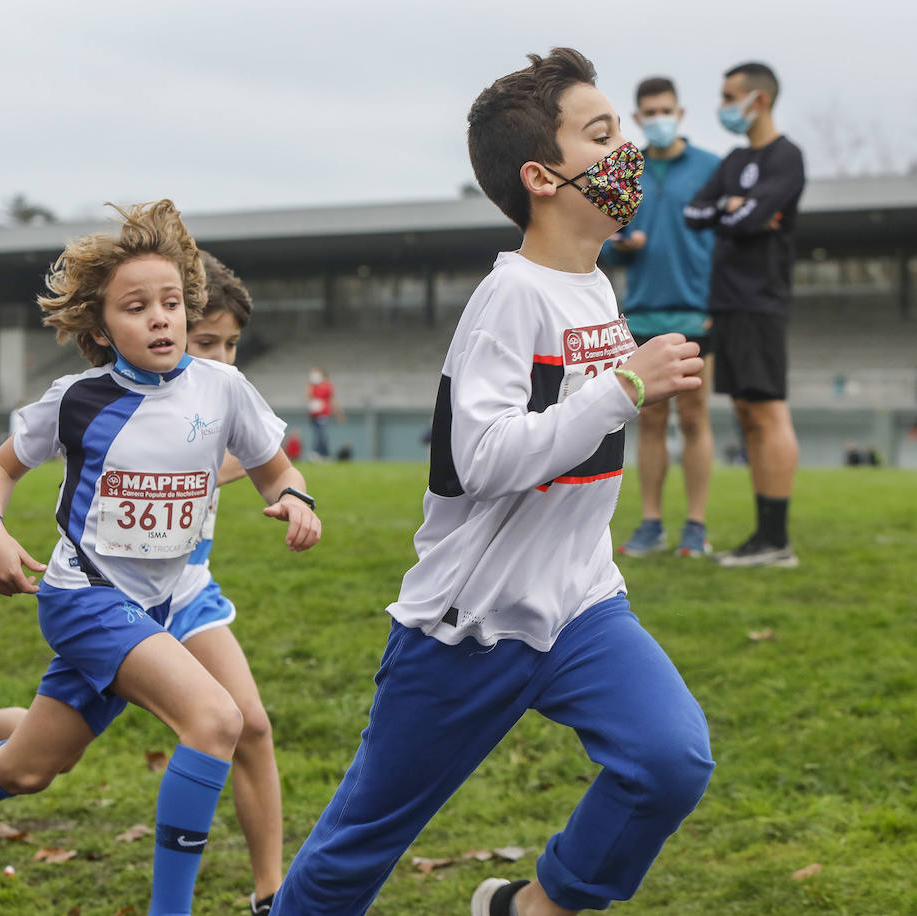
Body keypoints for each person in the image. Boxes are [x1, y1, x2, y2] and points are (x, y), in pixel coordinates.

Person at [270, 49, 714, 916]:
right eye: (602, 134)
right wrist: (623, 387)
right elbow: (481, 461)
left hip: (582, 605)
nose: (626, 150)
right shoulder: (510, 298)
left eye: (621, 128)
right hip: (465, 628)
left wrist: (617, 382)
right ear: (541, 177)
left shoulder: (596, 288)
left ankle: (529, 907)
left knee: (669, 760)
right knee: (359, 848)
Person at [0, 200, 321, 912]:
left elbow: (278, 470)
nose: (160, 318)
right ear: (99, 328)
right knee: (217, 720)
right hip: (84, 598)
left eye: (172, 303)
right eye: (136, 306)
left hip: (159, 601)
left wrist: (298, 501)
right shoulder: (77, 400)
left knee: (30, 767)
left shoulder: (224, 389)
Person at [685, 63, 805, 568]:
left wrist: (737, 210)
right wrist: (739, 210)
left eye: (730, 96)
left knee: (767, 410)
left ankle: (776, 541)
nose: (724, 105)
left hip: (761, 300)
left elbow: (748, 216)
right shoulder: (734, 158)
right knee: (745, 413)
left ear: (759, 99)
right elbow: (696, 213)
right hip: (726, 301)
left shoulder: (787, 157)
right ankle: (763, 538)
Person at [601, 77, 721, 558]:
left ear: (681, 112)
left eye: (664, 109)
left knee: (694, 417)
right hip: (643, 312)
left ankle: (696, 525)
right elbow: (605, 242)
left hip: (696, 312)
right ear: (638, 115)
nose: (658, 118)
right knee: (647, 419)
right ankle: (651, 524)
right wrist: (621, 245)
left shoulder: (713, 169)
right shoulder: (627, 171)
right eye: (648, 111)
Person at [305, 367, 341, 459]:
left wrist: (338, 413)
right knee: (318, 433)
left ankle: (317, 452)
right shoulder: (313, 386)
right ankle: (325, 454)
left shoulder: (327, 386)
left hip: (323, 414)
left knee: (320, 433)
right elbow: (308, 396)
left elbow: (332, 399)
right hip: (314, 415)